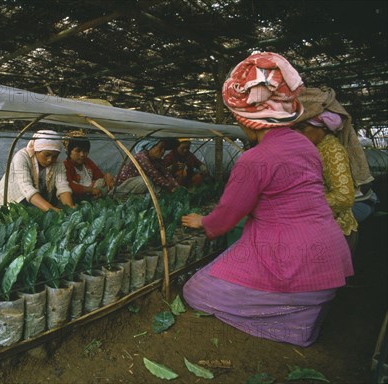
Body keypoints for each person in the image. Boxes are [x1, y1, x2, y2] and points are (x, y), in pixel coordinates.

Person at [181, 52, 353, 347]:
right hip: (330, 258)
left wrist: (203, 222)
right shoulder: (306, 145)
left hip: (291, 261)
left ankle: (288, 323)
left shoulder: (254, 159)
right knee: (233, 264)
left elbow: (227, 217)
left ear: (247, 121)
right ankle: (304, 314)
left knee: (196, 291)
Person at [295, 111, 358, 255]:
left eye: (303, 128)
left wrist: (302, 203)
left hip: (337, 230)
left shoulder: (331, 149)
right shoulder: (314, 148)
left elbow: (344, 197)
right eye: (295, 129)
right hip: (320, 228)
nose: (298, 133)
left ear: (322, 127)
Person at [0, 130, 75, 212]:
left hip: (38, 200)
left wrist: (70, 209)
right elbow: (26, 186)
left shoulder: (58, 163)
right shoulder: (22, 157)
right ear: (36, 150)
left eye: (55, 156)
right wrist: (51, 210)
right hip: (16, 199)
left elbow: (63, 186)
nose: (50, 160)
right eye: (46, 155)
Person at [114, 138, 180, 195]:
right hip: (123, 186)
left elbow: (166, 173)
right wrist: (171, 189)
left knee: (152, 183)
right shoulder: (141, 157)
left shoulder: (157, 160)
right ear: (150, 147)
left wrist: (177, 187)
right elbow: (155, 175)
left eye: (164, 149)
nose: (163, 151)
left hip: (136, 186)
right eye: (160, 147)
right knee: (145, 181)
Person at [63, 133, 115, 200]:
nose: (82, 154)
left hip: (94, 193)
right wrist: (91, 190)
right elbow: (69, 185)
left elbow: (99, 176)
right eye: (78, 151)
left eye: (85, 151)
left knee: (102, 182)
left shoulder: (87, 161)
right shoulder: (65, 165)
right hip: (78, 196)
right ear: (69, 151)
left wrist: (107, 176)